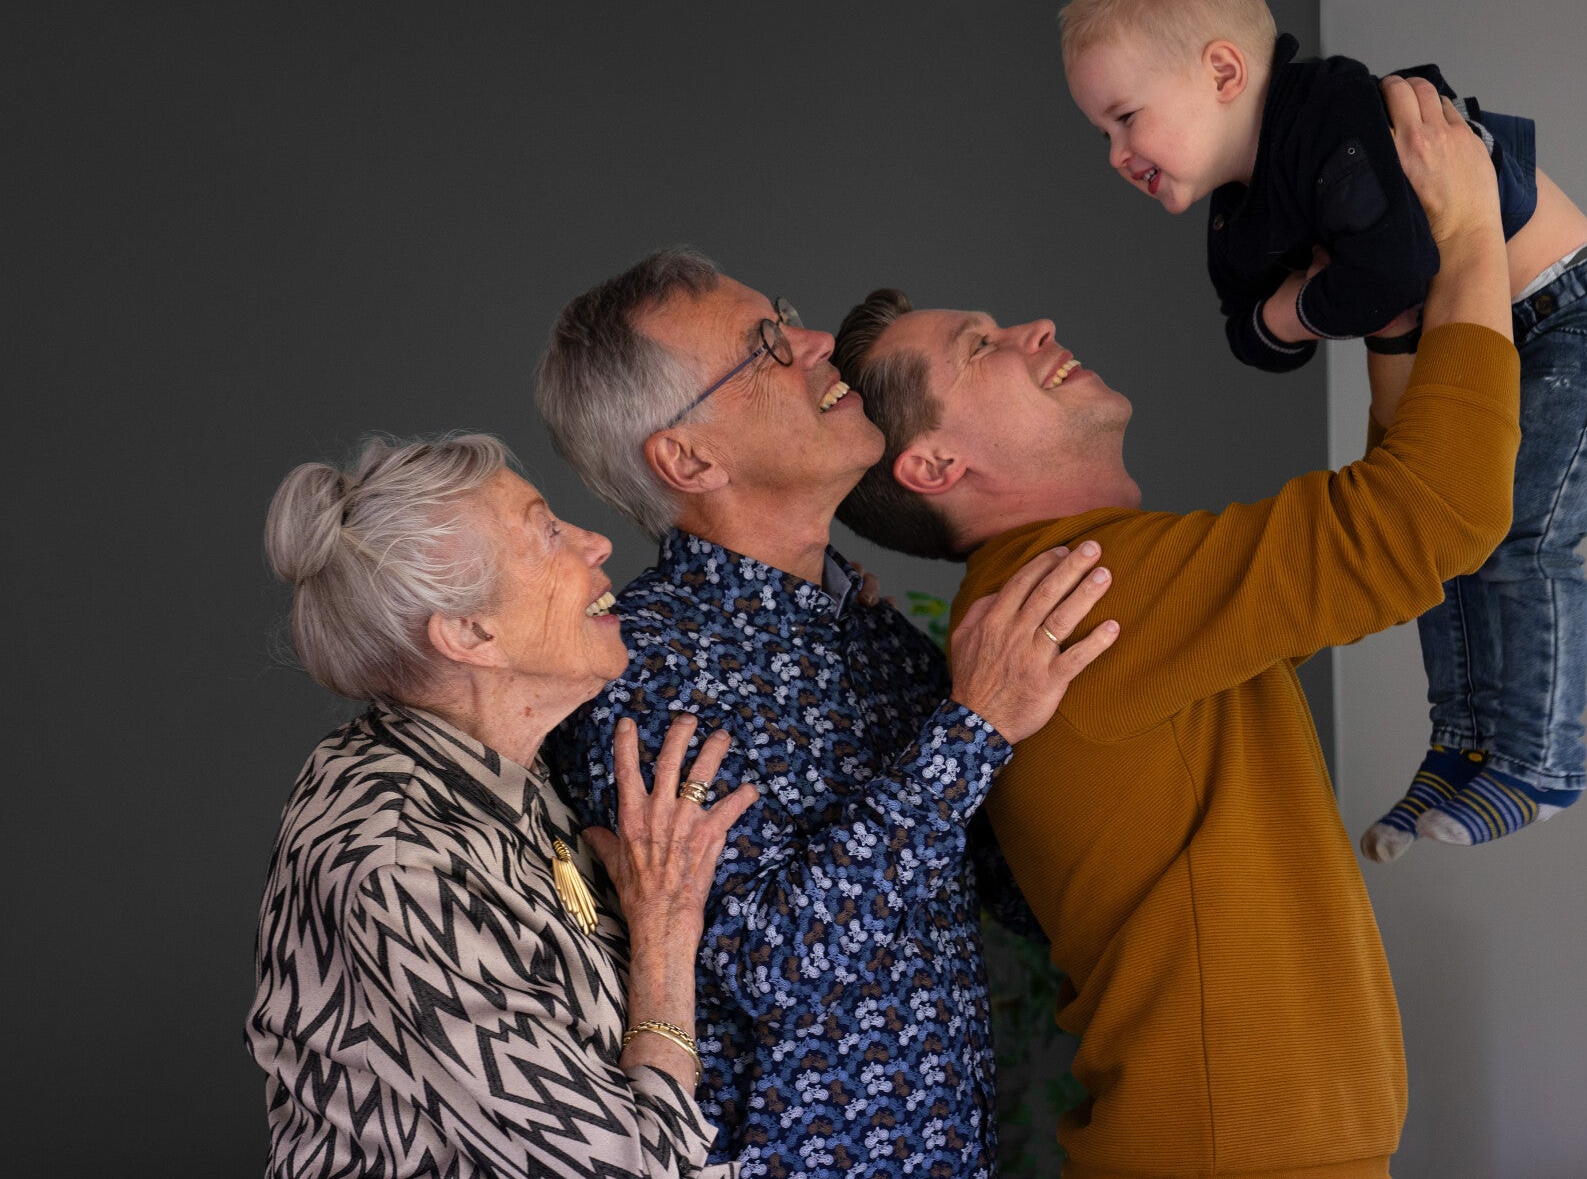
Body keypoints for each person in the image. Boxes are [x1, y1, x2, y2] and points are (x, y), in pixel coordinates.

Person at [830, 77, 1516, 1177]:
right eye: (980, 346)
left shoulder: (1079, 587)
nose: (1033, 329)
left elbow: (1389, 520)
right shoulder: (1087, 593)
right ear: (935, 464)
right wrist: (1471, 233)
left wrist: (1392, 310)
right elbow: (1441, 512)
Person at [1060, 0, 1587, 858]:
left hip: (1577, 313)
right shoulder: (1238, 214)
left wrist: (1299, 303)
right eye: (1102, 134)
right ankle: (1462, 747)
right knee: (1445, 545)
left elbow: (1392, 271)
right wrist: (1306, 305)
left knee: (1521, 532)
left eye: (1125, 119)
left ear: (1222, 71)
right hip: (1485, 337)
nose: (1116, 154)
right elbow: (1252, 339)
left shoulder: (1333, 113)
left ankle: (1540, 757)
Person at [534, 256, 1118, 1173]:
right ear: (690, 459)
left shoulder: (879, 641)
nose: (814, 342)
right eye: (765, 346)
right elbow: (776, 965)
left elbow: (1012, 887)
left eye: (788, 317)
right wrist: (975, 729)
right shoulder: (635, 673)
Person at [247, 433, 757, 1177]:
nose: (596, 542)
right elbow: (629, 1167)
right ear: (469, 633)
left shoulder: (495, 765)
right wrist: (665, 935)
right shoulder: (401, 866)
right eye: (546, 533)